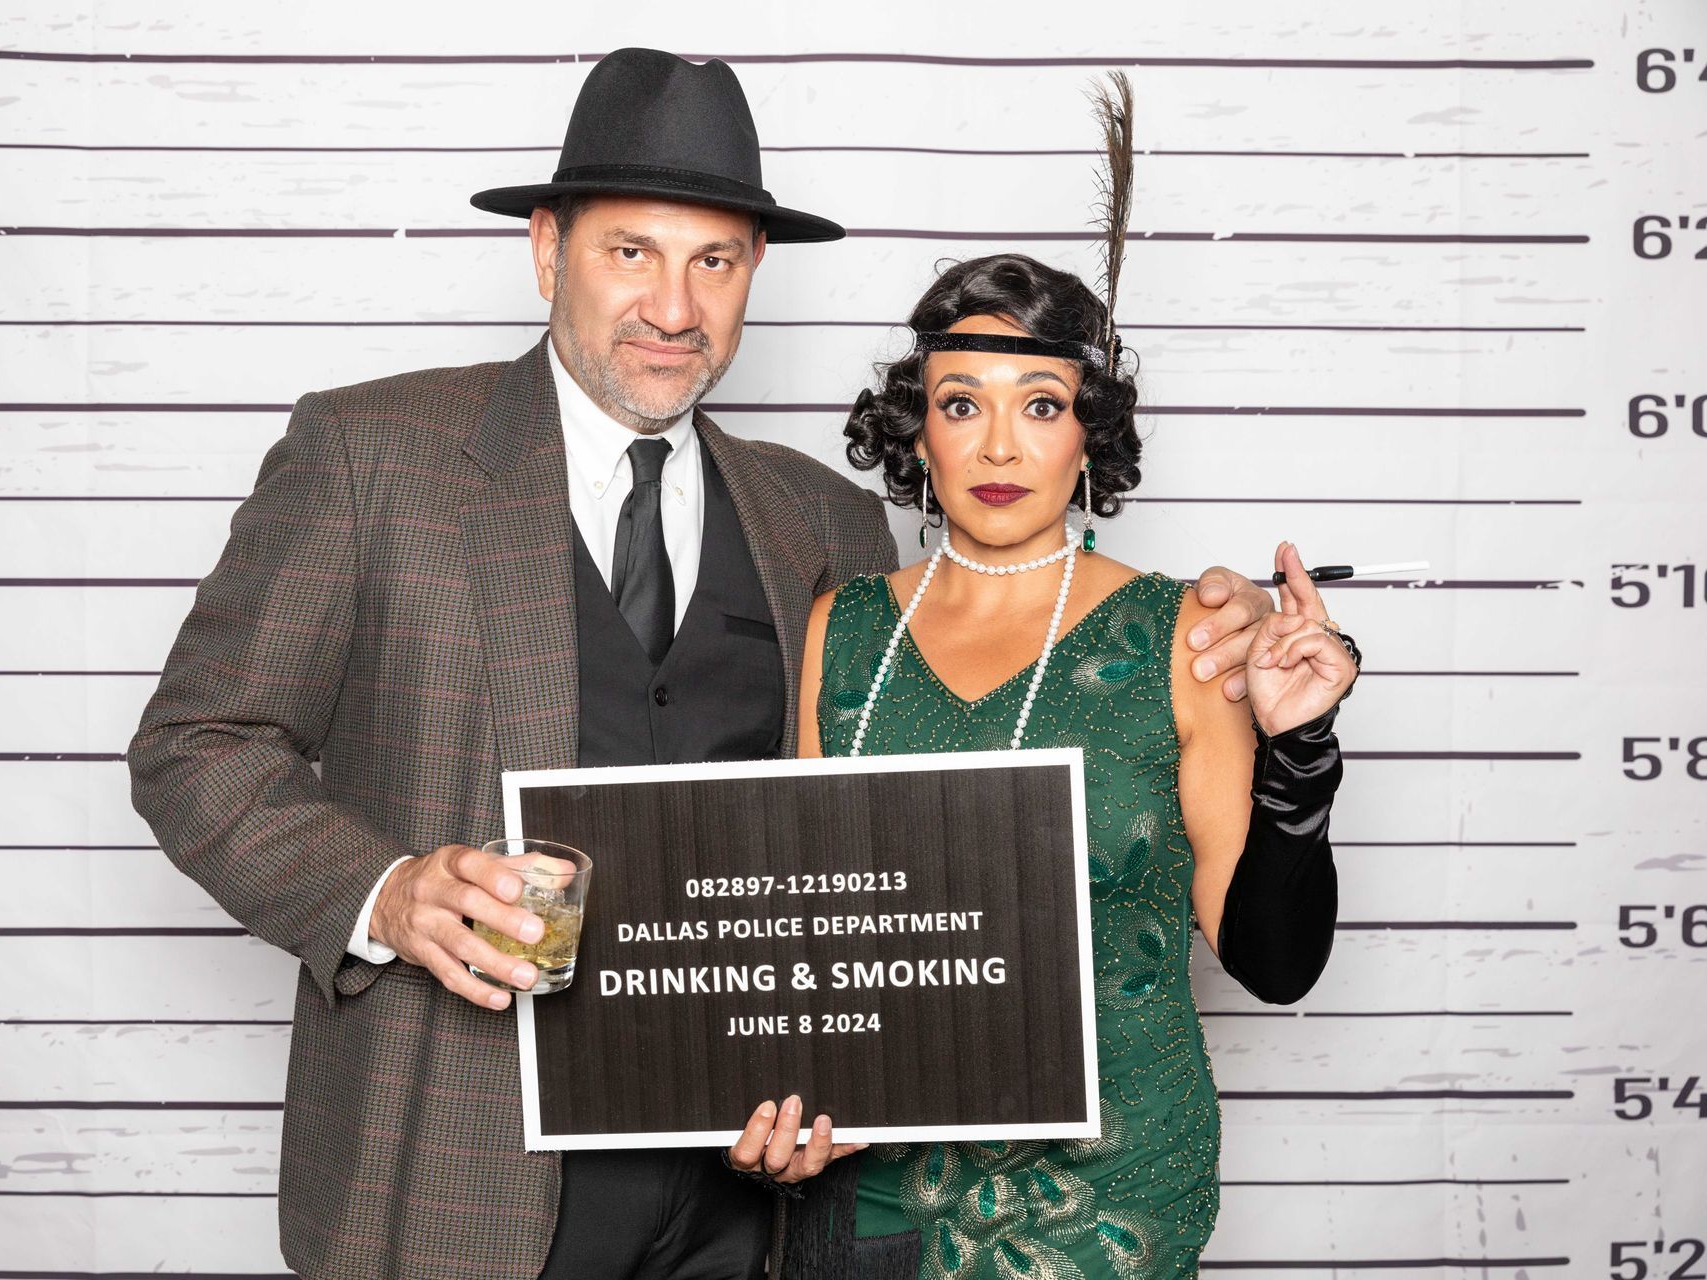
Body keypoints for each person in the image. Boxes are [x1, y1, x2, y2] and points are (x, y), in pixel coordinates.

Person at [126, 49, 1284, 1280]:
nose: (674, 308)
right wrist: (385, 891)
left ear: (754, 271)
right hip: (458, 1172)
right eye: (632, 251)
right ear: (547, 250)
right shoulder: (371, 453)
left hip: (752, 1207)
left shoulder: (820, 520)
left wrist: (1235, 632)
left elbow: (916, 800)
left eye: (714, 261)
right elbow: (197, 743)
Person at [787, 244, 1360, 1274]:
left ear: (1088, 432)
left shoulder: (1182, 635)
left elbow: (1276, 965)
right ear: (918, 430)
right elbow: (808, 933)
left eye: (1041, 406)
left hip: (1108, 1191)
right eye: (962, 404)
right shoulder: (845, 629)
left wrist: (1301, 748)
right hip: (876, 1184)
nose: (1000, 444)